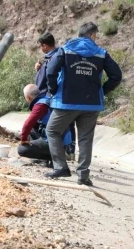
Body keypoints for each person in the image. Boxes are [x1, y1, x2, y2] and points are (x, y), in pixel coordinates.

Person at [45, 22, 122, 186]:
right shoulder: (101, 53)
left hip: (66, 102)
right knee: (85, 139)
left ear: (79, 34)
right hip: (91, 104)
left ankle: (61, 168)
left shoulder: (65, 50)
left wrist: (53, 89)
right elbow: (116, 76)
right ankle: (83, 176)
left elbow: (50, 71)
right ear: (93, 35)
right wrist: (101, 91)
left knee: (52, 131)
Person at [18, 84, 71, 165]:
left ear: (28, 97)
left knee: (22, 150)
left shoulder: (40, 105)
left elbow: (27, 124)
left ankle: (55, 158)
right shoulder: (48, 99)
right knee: (33, 128)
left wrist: (23, 139)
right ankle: (50, 158)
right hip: (63, 139)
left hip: (56, 141)